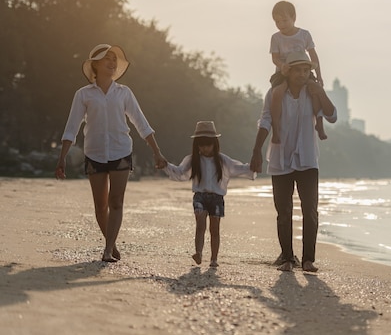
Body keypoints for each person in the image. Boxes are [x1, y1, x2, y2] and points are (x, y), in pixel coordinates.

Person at [55, 43, 167, 263]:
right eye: (108, 58)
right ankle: (112, 243)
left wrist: (157, 152)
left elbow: (141, 123)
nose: (113, 62)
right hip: (94, 153)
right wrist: (62, 159)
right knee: (100, 207)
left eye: (115, 59)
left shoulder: (124, 93)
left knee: (116, 202)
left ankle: (107, 250)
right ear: (95, 64)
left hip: (120, 151)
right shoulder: (83, 94)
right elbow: (72, 127)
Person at [250, 51, 337, 272]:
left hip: (308, 160)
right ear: (288, 71)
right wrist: (256, 151)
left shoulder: (313, 94)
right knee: (284, 211)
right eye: (297, 70)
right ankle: (287, 258)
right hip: (280, 159)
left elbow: (332, 116)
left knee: (310, 211)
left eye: (306, 70)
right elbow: (266, 120)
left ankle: (309, 260)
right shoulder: (274, 94)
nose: (302, 74)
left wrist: (321, 92)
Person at [163, 121, 256, 267]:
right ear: (197, 145)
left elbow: (239, 168)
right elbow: (180, 172)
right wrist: (166, 166)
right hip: (199, 196)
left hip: (217, 198)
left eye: (208, 144)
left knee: (215, 229)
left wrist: (253, 166)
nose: (205, 148)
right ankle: (198, 253)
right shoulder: (193, 160)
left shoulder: (222, 160)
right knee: (200, 226)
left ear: (214, 143)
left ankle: (214, 259)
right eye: (201, 144)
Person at [269, 0, 327, 144]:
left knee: (316, 91)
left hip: (302, 70)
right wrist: (282, 66)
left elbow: (313, 55)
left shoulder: (304, 35)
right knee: (277, 93)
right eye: (277, 22)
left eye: (284, 20)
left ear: (294, 17)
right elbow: (275, 58)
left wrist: (318, 75)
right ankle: (275, 129)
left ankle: (319, 122)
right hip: (284, 72)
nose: (281, 25)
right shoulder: (276, 38)